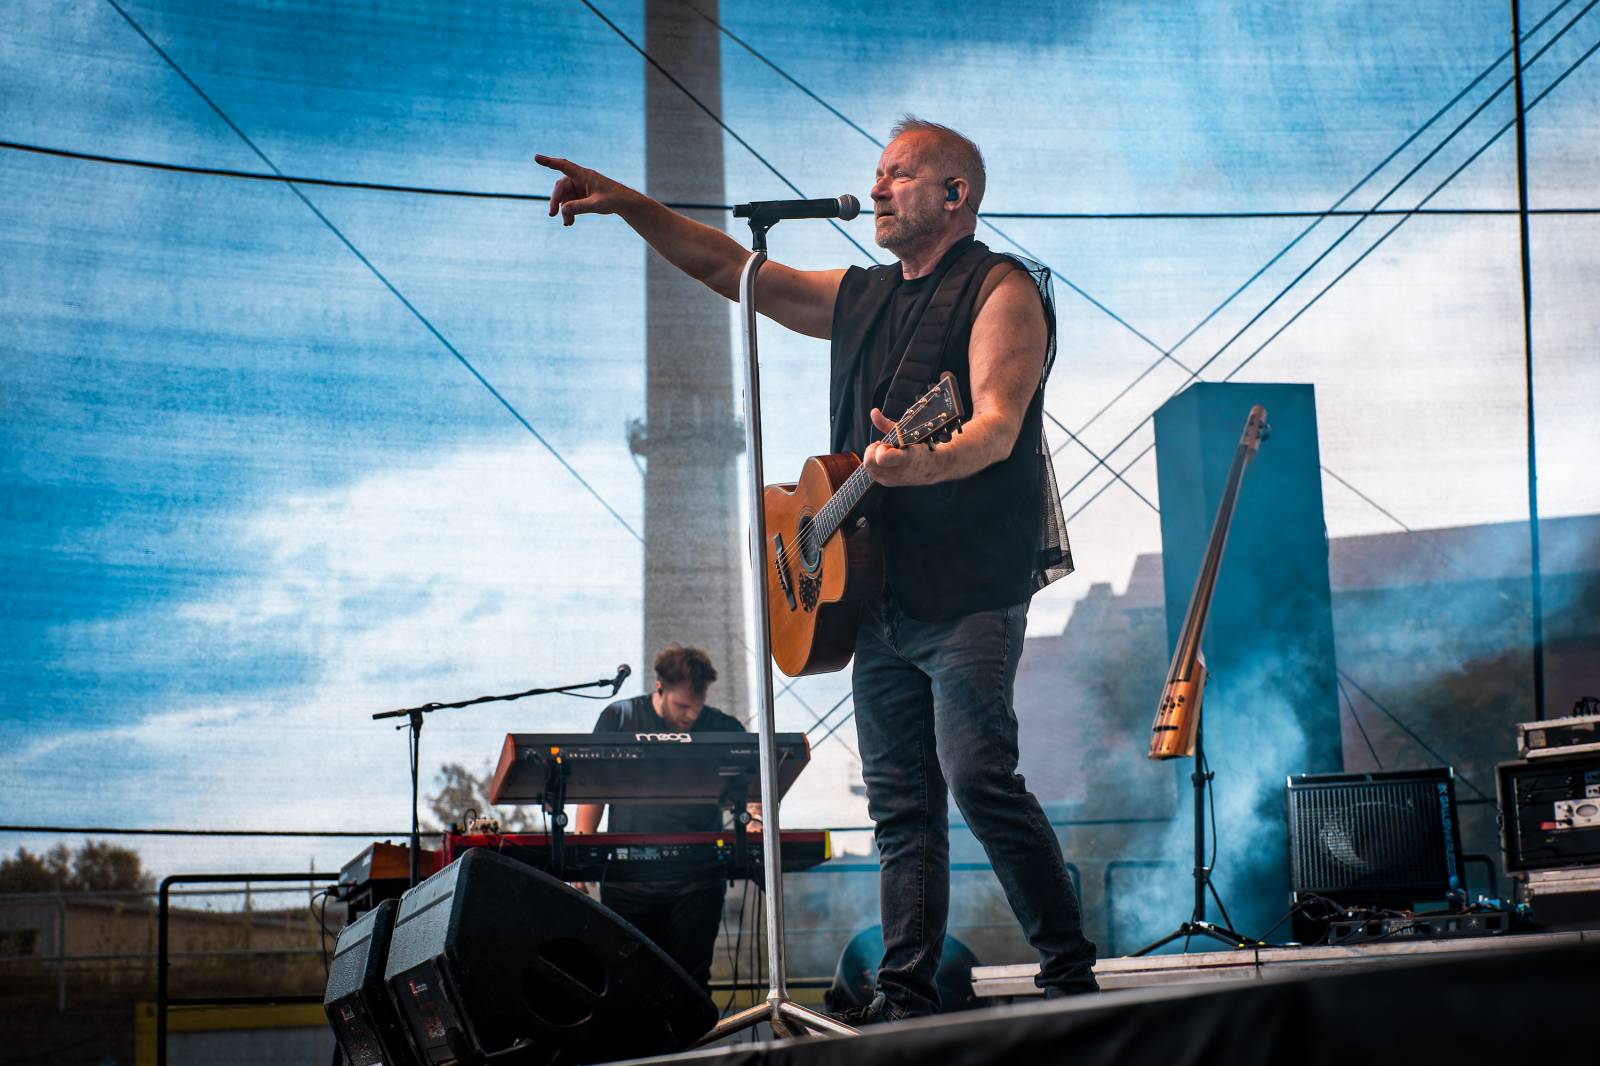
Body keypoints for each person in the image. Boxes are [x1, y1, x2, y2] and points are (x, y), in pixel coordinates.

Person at [539, 115, 1097, 1022]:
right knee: (900, 811)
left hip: (966, 596)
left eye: (899, 175)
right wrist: (631, 206)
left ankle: (1068, 966)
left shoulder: (1002, 291)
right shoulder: (861, 296)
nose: (875, 189)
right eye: (875, 175)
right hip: (871, 600)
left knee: (979, 778)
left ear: (954, 195)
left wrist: (919, 461)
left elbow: (995, 427)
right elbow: (733, 270)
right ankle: (905, 992)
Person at [573, 644, 746, 997]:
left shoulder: (723, 727)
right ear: (659, 688)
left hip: (698, 878)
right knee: (628, 983)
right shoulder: (618, 719)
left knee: (691, 982)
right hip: (627, 879)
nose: (691, 716)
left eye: (697, 706)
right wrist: (581, 852)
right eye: (683, 706)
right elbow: (593, 787)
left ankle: (692, 1051)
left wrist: (755, 819)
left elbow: (754, 783)